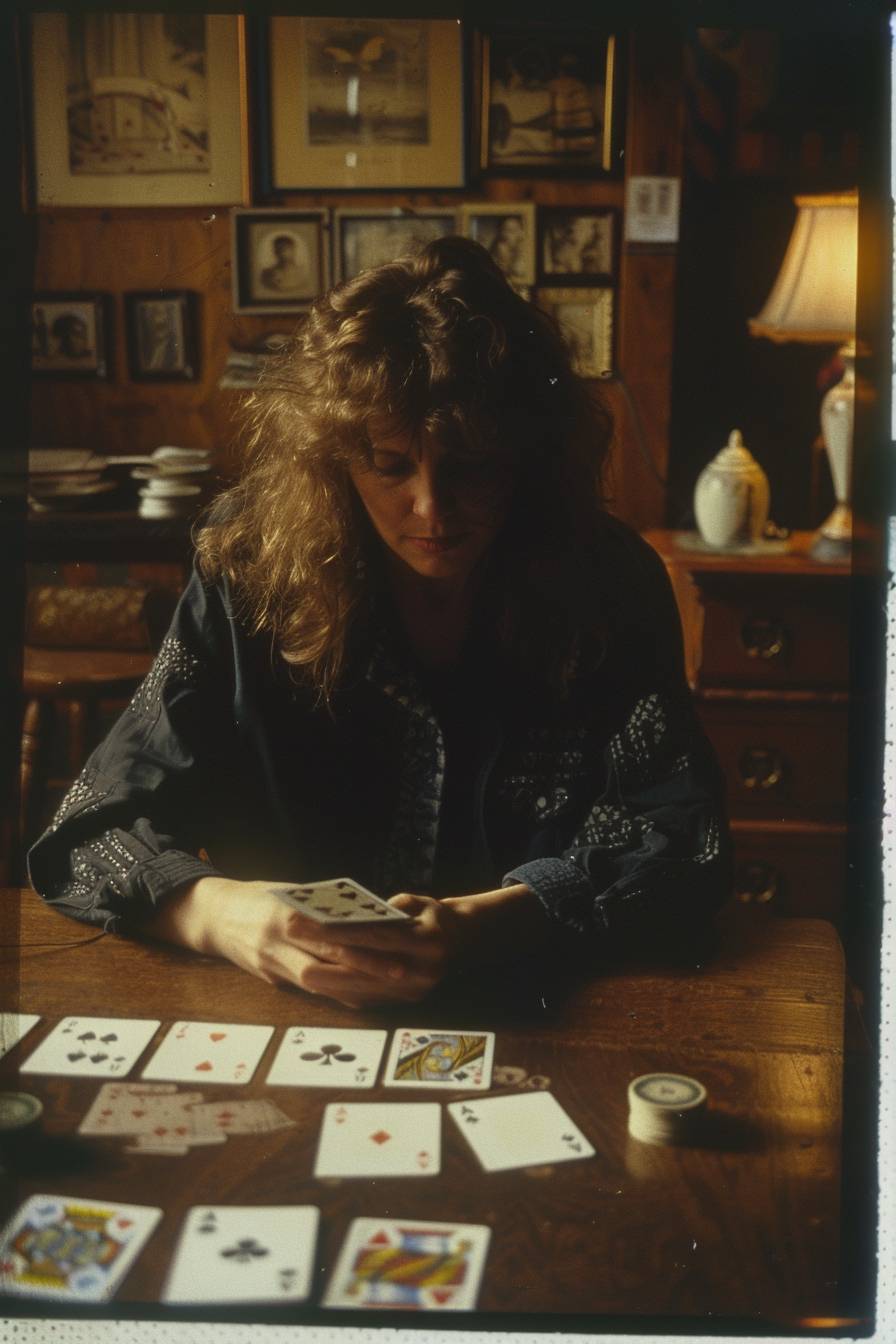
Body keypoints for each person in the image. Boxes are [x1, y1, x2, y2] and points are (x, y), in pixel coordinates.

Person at [28, 237, 731, 1008]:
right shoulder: (252, 569)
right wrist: (225, 916)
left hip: (541, 1011)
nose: (432, 508)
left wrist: (491, 925)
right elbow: (88, 830)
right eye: (391, 464)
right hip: (279, 1011)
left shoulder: (608, 580)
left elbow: (686, 841)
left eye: (471, 465)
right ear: (332, 459)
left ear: (528, 454)